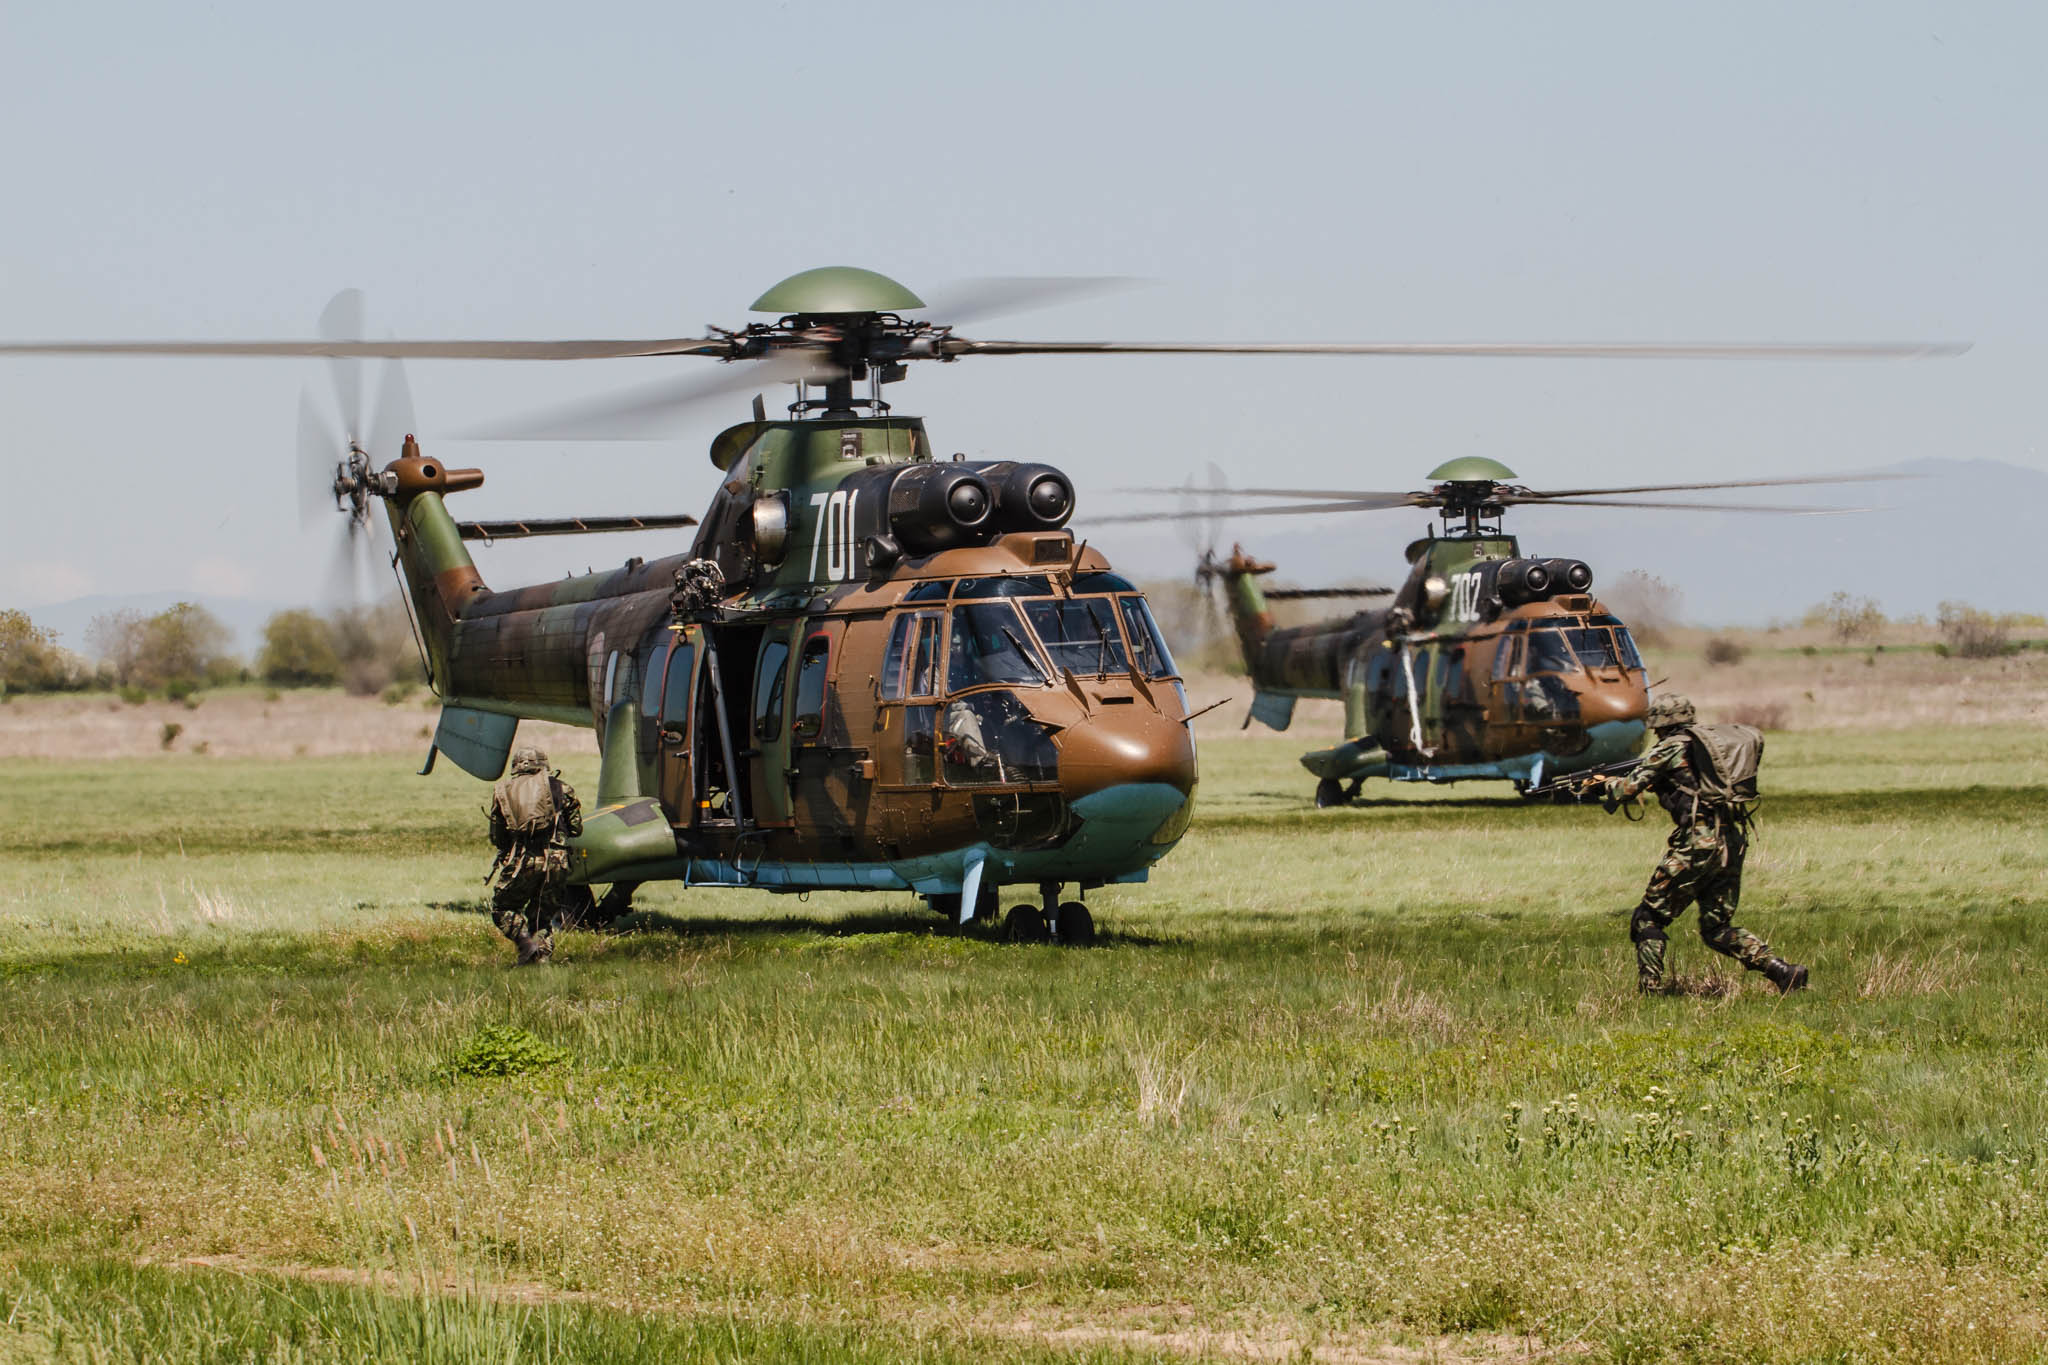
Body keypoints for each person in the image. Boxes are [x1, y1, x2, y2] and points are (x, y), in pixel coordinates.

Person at [1591, 694, 1808, 995]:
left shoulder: (1670, 747)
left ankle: (1650, 992)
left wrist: (1602, 784)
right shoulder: (1703, 747)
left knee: (1648, 918)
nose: (1655, 733)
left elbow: (1627, 789)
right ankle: (1783, 972)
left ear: (1663, 725)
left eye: (1656, 727)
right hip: (1730, 841)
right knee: (1716, 927)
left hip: (1697, 843)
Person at [486, 745, 583, 965]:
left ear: (516, 767)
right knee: (542, 916)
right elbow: (577, 829)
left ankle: (525, 945)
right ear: (543, 765)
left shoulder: (503, 791)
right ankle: (540, 963)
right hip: (558, 862)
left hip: (524, 860)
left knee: (502, 908)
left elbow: (498, 837)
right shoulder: (562, 788)